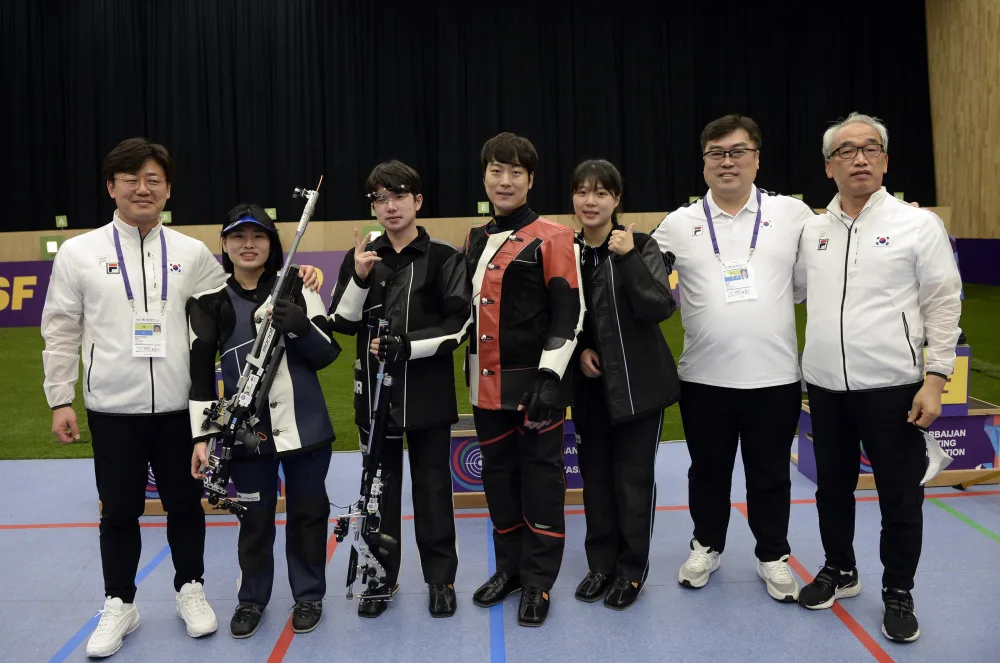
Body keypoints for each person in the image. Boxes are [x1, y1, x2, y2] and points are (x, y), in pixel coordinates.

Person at [40, 138, 317, 659]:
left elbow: (240, 294)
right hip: (111, 408)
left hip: (179, 410)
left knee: (185, 505)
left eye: (154, 180)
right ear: (111, 187)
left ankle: (190, 590)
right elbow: (60, 330)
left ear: (168, 189)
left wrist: (296, 279)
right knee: (118, 512)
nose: (142, 189)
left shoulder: (190, 254)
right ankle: (120, 602)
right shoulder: (79, 253)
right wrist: (60, 398)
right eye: (131, 179)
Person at [795, 112, 962, 643]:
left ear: (885, 160)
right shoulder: (812, 231)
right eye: (846, 150)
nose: (859, 157)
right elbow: (792, 292)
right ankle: (840, 569)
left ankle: (898, 591)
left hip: (894, 389)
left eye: (870, 148)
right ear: (829, 167)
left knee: (899, 497)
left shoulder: (918, 224)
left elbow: (943, 302)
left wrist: (935, 378)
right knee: (832, 491)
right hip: (824, 387)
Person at [650, 114, 816, 602]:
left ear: (757, 158)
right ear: (703, 163)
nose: (727, 162)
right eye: (716, 153)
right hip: (704, 378)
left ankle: (773, 556)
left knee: (770, 473)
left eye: (738, 151)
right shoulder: (678, 225)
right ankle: (706, 546)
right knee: (707, 471)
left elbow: (816, 276)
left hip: (777, 376)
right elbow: (639, 284)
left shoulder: (793, 215)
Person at [188, 204, 340, 638]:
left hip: (306, 427)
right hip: (244, 436)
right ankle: (251, 600)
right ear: (225, 244)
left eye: (258, 236)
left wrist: (300, 326)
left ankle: (308, 596)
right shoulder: (209, 302)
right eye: (238, 237)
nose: (248, 245)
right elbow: (201, 377)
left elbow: (326, 354)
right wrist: (203, 438)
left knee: (309, 515)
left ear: (272, 244)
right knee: (254, 521)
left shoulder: (299, 288)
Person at [327, 160, 468, 618]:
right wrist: (360, 277)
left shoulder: (445, 257)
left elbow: (458, 326)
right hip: (374, 399)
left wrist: (407, 347)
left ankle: (440, 580)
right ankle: (378, 579)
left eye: (398, 196)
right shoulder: (363, 255)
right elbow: (342, 322)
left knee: (432, 492)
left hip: (427, 395)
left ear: (418, 202)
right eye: (379, 199)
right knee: (378, 493)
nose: (389, 207)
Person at [456, 132, 584, 627]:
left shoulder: (553, 236)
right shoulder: (473, 238)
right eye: (496, 170)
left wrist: (551, 379)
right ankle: (508, 570)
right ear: (485, 175)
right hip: (485, 390)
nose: (504, 181)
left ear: (530, 180)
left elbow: (568, 315)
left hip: (536, 390)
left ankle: (538, 582)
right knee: (499, 483)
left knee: (542, 484)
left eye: (515, 172)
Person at [569, 159, 680, 610]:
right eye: (582, 191)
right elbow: (563, 317)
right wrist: (580, 351)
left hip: (640, 386)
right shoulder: (567, 250)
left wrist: (628, 255)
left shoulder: (643, 246)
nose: (590, 200)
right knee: (595, 478)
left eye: (600, 192)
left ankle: (631, 571)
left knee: (632, 480)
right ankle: (600, 564)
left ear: (617, 199)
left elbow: (658, 307)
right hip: (591, 386)